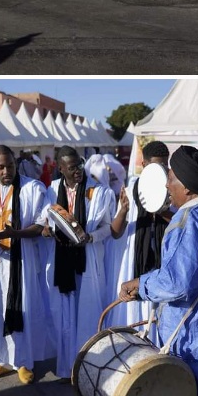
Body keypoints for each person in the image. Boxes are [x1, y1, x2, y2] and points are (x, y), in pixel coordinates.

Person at [119, 145, 198, 396]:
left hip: (194, 346)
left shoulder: (189, 219)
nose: (167, 185)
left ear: (187, 186)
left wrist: (139, 283)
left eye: (170, 177)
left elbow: (176, 283)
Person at [0, 145, 47, 385]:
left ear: (16, 164)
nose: (6, 171)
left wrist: (17, 233)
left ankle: (22, 361)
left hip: (20, 259)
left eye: (11, 166)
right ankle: (2, 360)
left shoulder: (32, 188)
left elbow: (40, 225)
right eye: (1, 167)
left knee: (20, 307)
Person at [42, 146, 115, 377]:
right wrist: (47, 230)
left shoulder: (100, 192)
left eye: (80, 165)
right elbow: (46, 219)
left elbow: (108, 228)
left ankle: (89, 369)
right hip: (62, 260)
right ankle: (68, 368)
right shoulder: (52, 190)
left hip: (88, 260)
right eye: (72, 168)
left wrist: (91, 237)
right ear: (60, 168)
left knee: (88, 314)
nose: (78, 172)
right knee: (65, 315)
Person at [105, 141, 172, 333]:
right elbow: (115, 232)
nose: (161, 170)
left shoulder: (171, 188)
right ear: (144, 165)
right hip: (136, 262)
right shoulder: (131, 189)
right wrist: (123, 211)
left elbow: (178, 221)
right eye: (156, 166)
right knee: (135, 315)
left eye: (164, 165)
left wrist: (161, 211)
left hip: (162, 260)